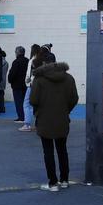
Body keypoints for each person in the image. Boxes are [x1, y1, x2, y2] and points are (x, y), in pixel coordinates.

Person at [29, 61, 79, 191]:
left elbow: (33, 100)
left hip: (44, 119)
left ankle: (52, 183)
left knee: (48, 152)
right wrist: (65, 110)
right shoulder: (68, 78)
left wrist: (39, 111)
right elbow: (74, 98)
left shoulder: (39, 79)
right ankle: (64, 180)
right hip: (62, 119)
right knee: (62, 150)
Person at [19, 44, 43, 132]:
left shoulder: (33, 60)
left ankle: (27, 124)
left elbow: (32, 73)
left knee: (26, 104)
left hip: (32, 85)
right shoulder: (40, 60)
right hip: (37, 85)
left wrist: (29, 80)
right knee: (37, 105)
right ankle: (38, 124)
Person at [8, 46, 29, 123]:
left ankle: (21, 117)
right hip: (25, 85)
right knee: (25, 102)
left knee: (18, 102)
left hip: (17, 85)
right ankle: (25, 117)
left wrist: (10, 80)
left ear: (17, 53)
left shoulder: (16, 62)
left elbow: (12, 73)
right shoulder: (27, 61)